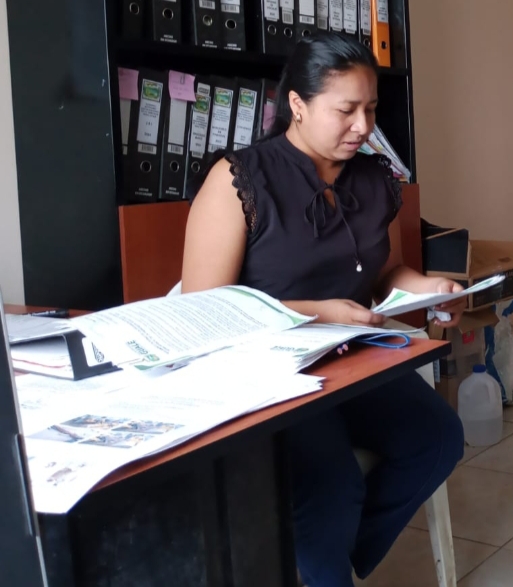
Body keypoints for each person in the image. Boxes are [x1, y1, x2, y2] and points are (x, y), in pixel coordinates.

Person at [181, 33, 466, 587]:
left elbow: (386, 273)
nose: (363, 126)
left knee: (437, 440)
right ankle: (324, 566)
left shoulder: (374, 178)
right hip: (268, 373)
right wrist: (316, 312)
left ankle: (330, 563)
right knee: (331, 484)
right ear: (298, 105)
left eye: (371, 109)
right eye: (346, 110)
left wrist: (428, 286)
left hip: (352, 358)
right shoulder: (240, 180)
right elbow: (204, 309)